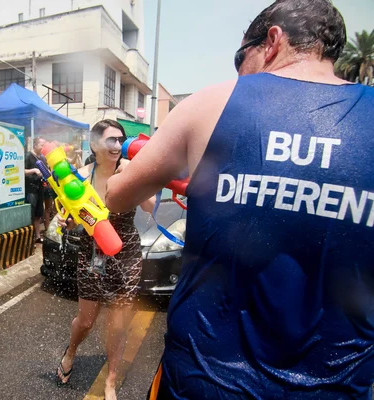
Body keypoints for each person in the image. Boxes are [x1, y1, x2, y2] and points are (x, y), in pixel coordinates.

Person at [105, 1, 374, 399]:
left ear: (272, 40)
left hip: (204, 380)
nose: (239, 73)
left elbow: (115, 198)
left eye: (239, 58)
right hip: (336, 387)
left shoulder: (211, 104)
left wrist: (131, 170)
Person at [55, 120, 155, 400]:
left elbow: (150, 206)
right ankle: (71, 350)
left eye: (121, 139)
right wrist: (66, 220)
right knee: (86, 320)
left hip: (126, 252)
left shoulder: (130, 170)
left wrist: (136, 174)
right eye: (111, 140)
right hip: (93, 253)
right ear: (95, 145)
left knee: (118, 322)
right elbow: (74, 221)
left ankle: (110, 381)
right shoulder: (82, 176)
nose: (117, 145)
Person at [24, 137, 46, 242]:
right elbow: (21, 170)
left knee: (38, 213)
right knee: (30, 214)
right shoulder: (28, 156)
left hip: (40, 187)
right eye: (42, 144)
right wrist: (33, 170)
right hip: (30, 189)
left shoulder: (42, 157)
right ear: (35, 145)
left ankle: (37, 236)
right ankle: (28, 237)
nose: (43, 147)